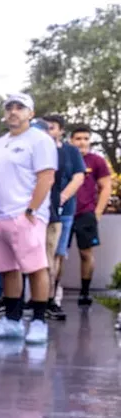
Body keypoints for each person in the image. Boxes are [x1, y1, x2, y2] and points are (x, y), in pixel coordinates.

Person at [0, 93, 58, 344]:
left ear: (30, 113)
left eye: (20, 107)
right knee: (7, 269)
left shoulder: (40, 140)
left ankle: (38, 321)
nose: (13, 111)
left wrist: (31, 211)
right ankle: (12, 321)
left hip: (26, 216)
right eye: (9, 107)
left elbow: (46, 177)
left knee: (36, 267)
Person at [40, 116, 85, 319]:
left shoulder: (70, 151)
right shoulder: (37, 150)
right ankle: (33, 299)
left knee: (57, 255)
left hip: (63, 212)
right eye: (45, 128)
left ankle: (51, 298)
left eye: (52, 128)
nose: (48, 131)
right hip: (38, 211)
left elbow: (79, 176)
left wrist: (62, 197)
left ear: (60, 131)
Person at [68, 124, 114, 307]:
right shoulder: (64, 158)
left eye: (86, 139)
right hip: (64, 213)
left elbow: (106, 187)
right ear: (71, 141)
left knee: (86, 254)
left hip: (86, 214)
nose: (82, 142)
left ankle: (85, 292)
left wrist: (97, 213)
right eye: (78, 139)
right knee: (57, 255)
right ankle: (52, 295)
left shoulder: (97, 161)